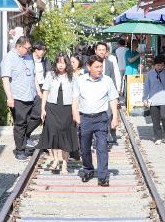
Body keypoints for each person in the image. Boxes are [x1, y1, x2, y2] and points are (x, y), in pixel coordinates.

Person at [72, 55, 119, 187]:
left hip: (101, 118)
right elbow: (75, 98)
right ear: (89, 67)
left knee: (102, 147)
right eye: (97, 67)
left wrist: (115, 117)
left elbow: (113, 99)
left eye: (101, 66)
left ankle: (103, 176)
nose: (100, 69)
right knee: (85, 148)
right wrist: (75, 114)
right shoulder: (80, 80)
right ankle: (88, 170)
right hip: (85, 118)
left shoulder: (107, 81)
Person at [1, 35, 41, 161]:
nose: (28, 50)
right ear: (19, 46)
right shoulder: (9, 58)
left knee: (40, 115)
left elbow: (33, 76)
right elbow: (5, 79)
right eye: (26, 48)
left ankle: (24, 136)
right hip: (18, 97)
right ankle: (20, 150)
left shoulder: (29, 57)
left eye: (29, 48)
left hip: (32, 94)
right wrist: (9, 98)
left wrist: (39, 91)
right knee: (20, 124)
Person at [37, 53, 78, 175]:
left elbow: (76, 95)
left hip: (67, 108)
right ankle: (55, 159)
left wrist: (75, 112)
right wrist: (42, 108)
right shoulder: (50, 75)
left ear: (67, 64)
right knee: (53, 133)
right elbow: (45, 91)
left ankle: (64, 164)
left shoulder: (72, 76)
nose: (61, 65)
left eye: (63, 62)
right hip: (52, 107)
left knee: (66, 136)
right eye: (59, 62)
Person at [143, 55, 165, 145]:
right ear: (154, 65)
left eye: (162, 65)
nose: (160, 67)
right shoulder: (150, 74)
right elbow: (146, 87)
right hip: (153, 100)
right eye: (158, 65)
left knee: (164, 117)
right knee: (155, 119)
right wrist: (145, 98)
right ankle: (158, 137)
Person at [25, 40, 49, 148]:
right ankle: (25, 135)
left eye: (44, 50)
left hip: (42, 87)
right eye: (42, 49)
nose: (43, 52)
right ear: (36, 50)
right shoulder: (27, 59)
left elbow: (48, 74)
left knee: (40, 113)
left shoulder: (44, 61)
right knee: (35, 113)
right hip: (31, 88)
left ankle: (26, 134)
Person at [95, 42, 119, 146]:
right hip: (95, 95)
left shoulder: (110, 63)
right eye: (99, 50)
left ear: (106, 52)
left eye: (103, 50)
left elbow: (113, 78)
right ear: (95, 51)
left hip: (107, 94)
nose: (101, 52)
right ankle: (98, 138)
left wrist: (115, 94)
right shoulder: (91, 63)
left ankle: (106, 138)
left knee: (108, 115)